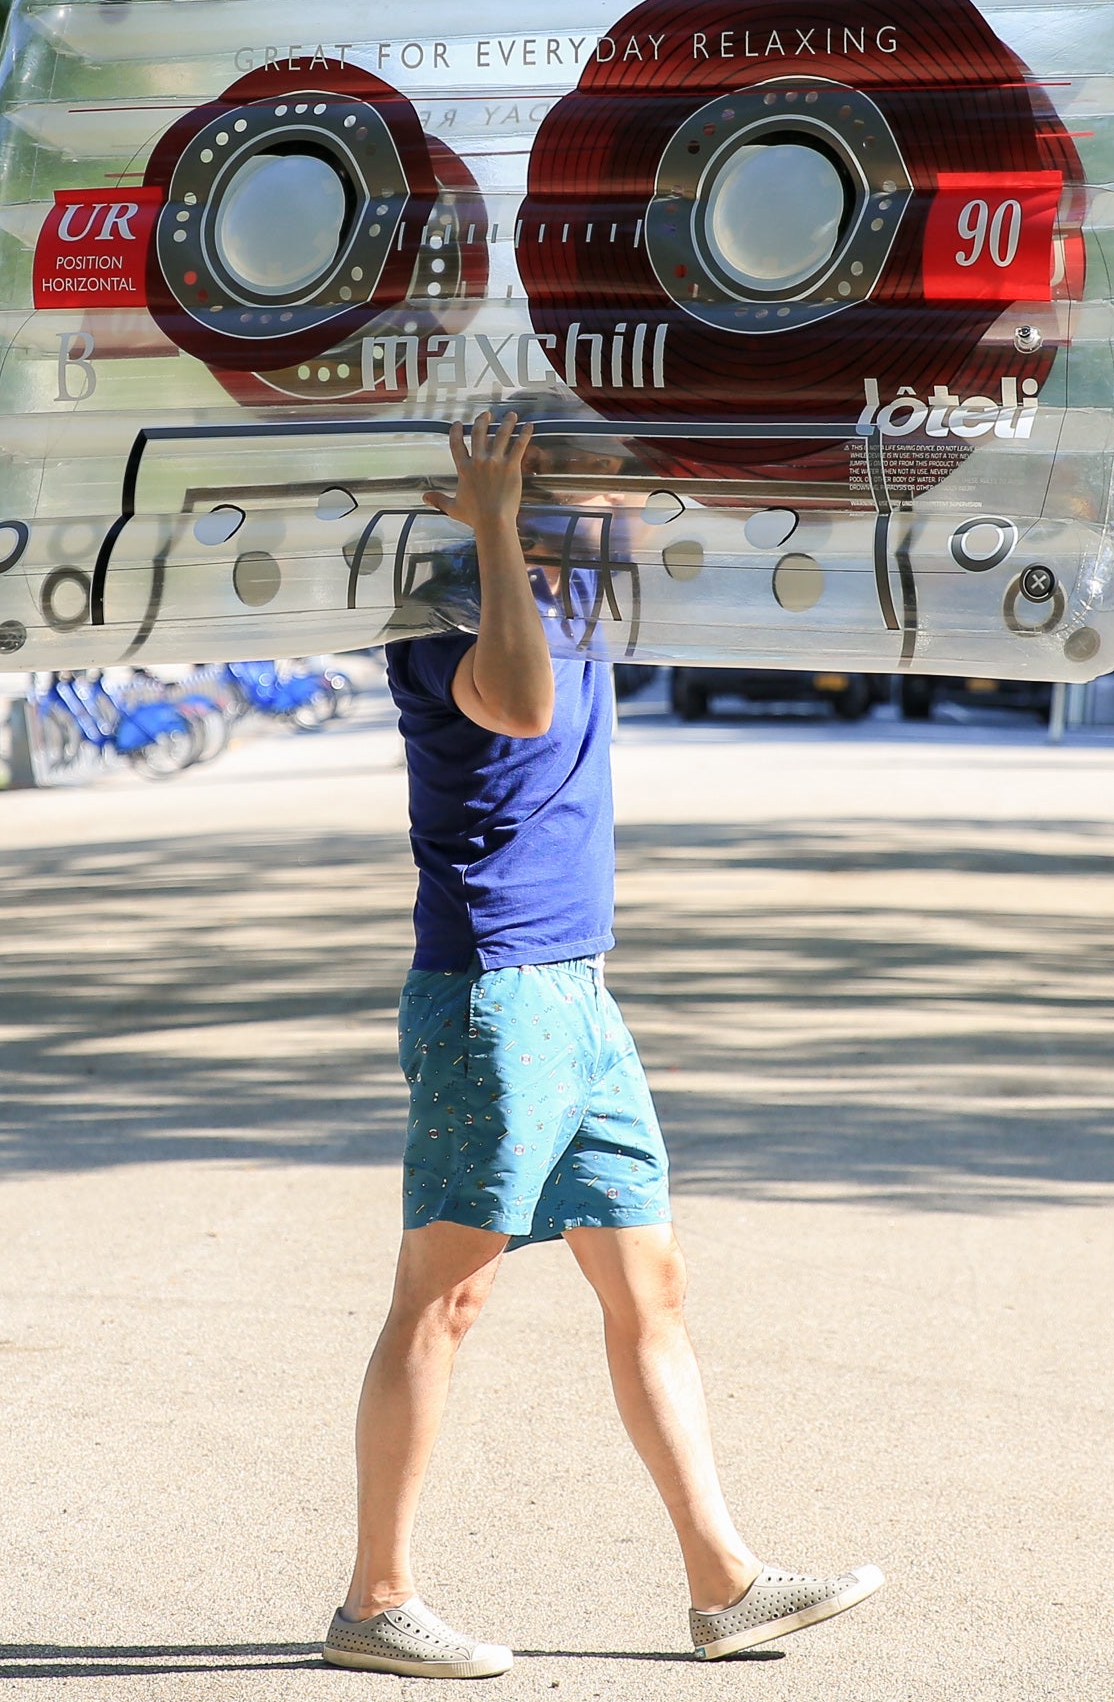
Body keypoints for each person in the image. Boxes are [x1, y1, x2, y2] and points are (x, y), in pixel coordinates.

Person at [324, 409, 883, 1680]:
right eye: (597, 493)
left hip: (575, 991)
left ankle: (723, 1580)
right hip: (493, 993)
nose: (623, 512)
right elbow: (515, 705)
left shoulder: (576, 594)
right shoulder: (444, 613)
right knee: (446, 1296)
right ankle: (373, 1599)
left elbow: (669, 518)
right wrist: (489, 519)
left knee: (650, 1288)